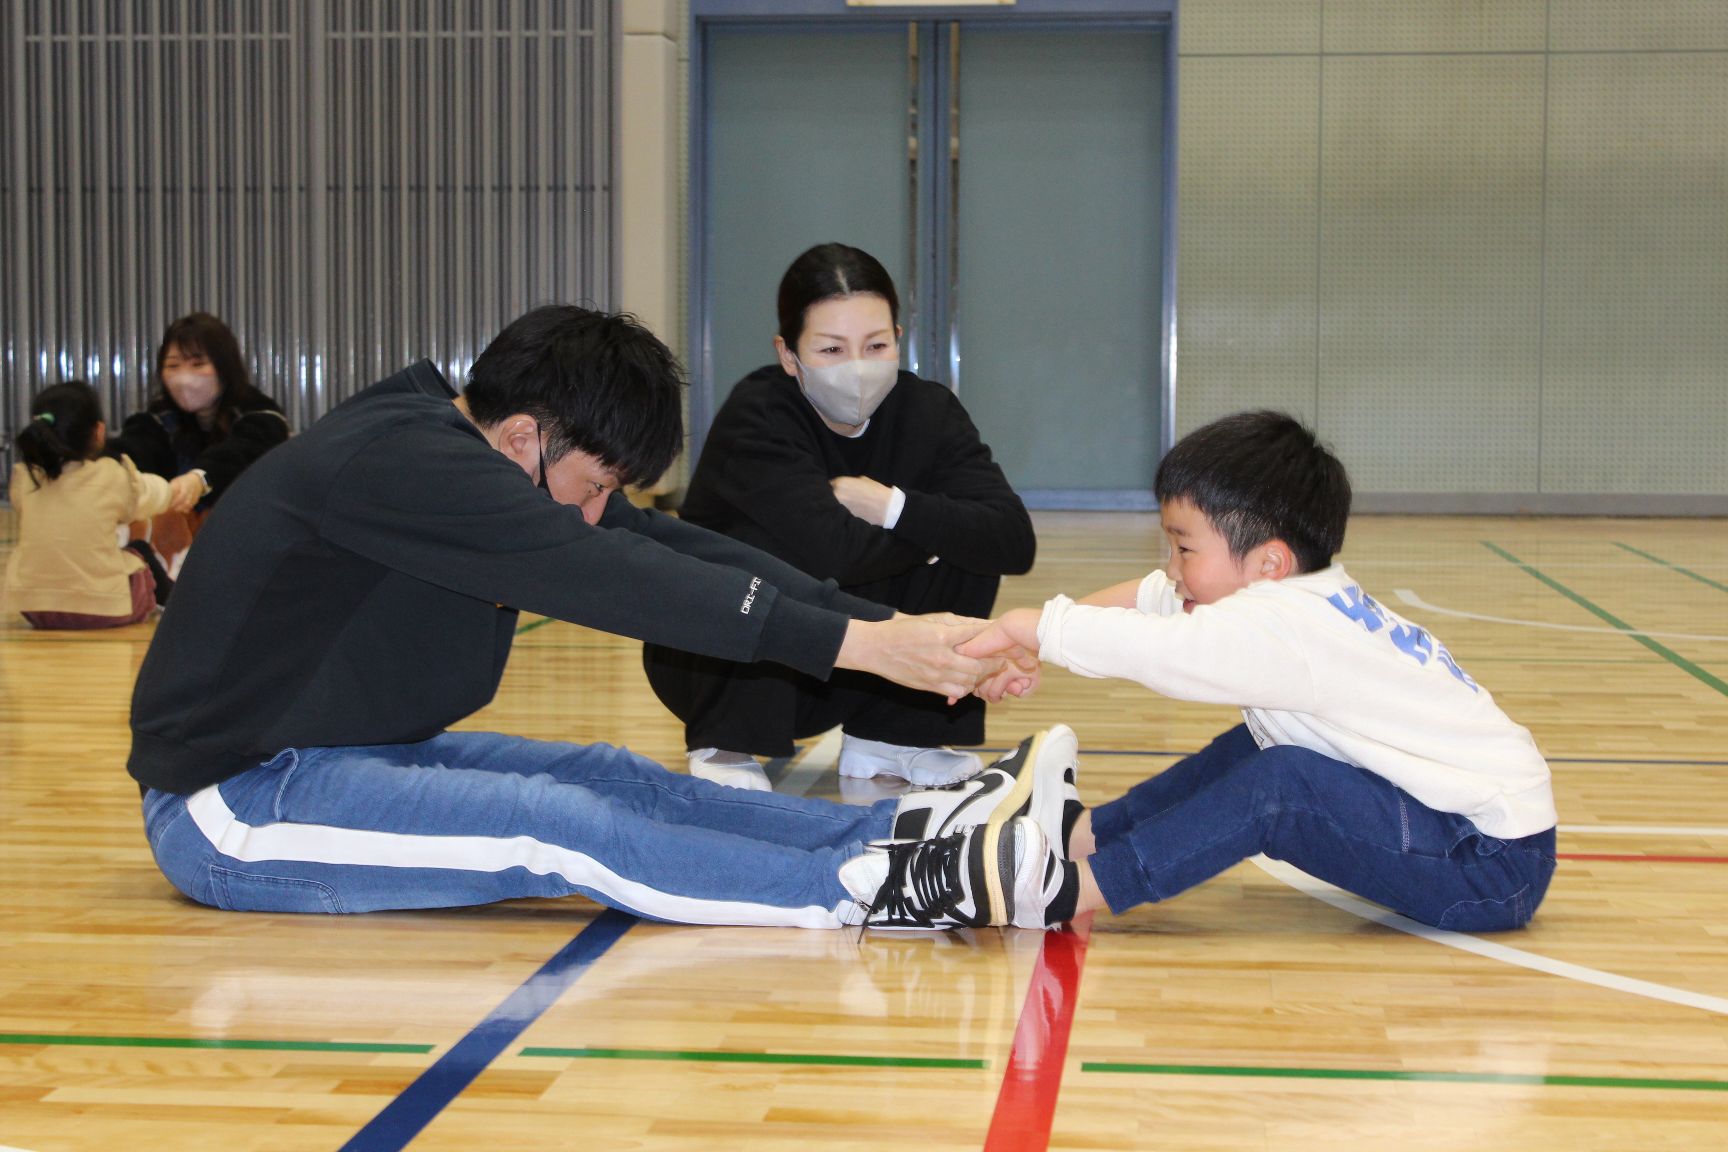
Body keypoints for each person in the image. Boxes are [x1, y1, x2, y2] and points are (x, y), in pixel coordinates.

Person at [127, 304, 1065, 931]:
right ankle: (890, 891)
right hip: (232, 806)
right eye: (593, 486)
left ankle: (910, 835)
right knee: (557, 823)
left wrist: (897, 629)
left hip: (344, 757)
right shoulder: (403, 464)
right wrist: (865, 646)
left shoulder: (480, 448)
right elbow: (610, 571)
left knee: (611, 776)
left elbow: (680, 549)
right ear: (527, 438)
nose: (592, 508)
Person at [959, 411, 1559, 932]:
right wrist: (1032, 644)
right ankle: (1079, 836)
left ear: (1269, 560)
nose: (1171, 567)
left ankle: (1069, 890)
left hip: (1487, 863)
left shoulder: (1289, 627)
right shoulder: (1304, 598)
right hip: (1462, 828)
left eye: (1184, 549)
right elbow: (1148, 599)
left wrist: (1032, 626)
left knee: (1283, 783)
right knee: (1262, 739)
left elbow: (1165, 653)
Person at [644, 243, 1036, 792]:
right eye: (831, 349)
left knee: (963, 536)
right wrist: (931, 536)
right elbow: (833, 552)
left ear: (899, 339)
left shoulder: (930, 410)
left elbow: (1014, 541)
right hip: (723, 666)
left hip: (852, 674)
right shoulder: (758, 415)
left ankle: (893, 736)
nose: (857, 368)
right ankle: (725, 740)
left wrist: (895, 507)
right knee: (763, 545)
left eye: (875, 345)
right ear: (789, 355)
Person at [107, 312, 289, 571]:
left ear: (224, 368)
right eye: (173, 366)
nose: (184, 377)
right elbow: (135, 448)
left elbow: (241, 452)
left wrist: (199, 479)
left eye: (197, 364)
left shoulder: (261, 415)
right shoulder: (157, 421)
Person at [4, 381, 176, 629]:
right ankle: (173, 602)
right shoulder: (113, 474)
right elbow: (151, 498)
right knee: (139, 552)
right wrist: (172, 491)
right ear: (99, 432)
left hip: (36, 607)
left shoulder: (25, 477)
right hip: (104, 608)